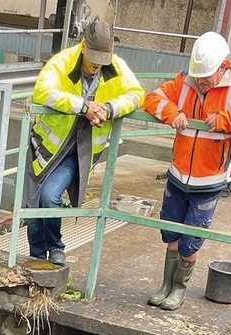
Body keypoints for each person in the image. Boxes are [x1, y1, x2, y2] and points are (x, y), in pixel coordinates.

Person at [143, 31, 231, 311]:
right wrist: (172, 113)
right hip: (178, 176)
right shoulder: (184, 82)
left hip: (208, 181)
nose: (201, 82)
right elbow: (152, 98)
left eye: (207, 77)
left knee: (191, 241)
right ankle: (166, 285)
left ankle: (179, 289)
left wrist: (226, 119)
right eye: (198, 76)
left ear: (223, 67)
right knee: (172, 234)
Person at [26, 17, 144, 266]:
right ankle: (37, 256)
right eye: (93, 61)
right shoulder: (63, 61)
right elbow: (43, 91)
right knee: (32, 203)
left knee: (49, 197)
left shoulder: (116, 67)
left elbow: (136, 95)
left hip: (80, 150)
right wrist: (83, 107)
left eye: (102, 62)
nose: (96, 67)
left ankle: (55, 248)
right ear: (83, 47)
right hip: (46, 147)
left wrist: (110, 109)